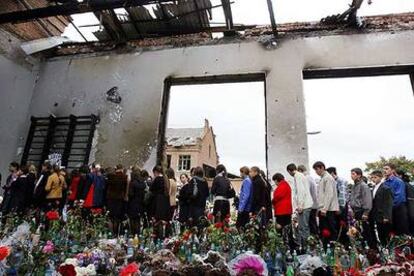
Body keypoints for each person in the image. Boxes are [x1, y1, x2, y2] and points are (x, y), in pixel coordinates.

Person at [312, 161, 339, 245]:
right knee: (324, 231)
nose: (316, 172)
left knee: (330, 230)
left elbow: (329, 195)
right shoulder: (323, 178)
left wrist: (324, 209)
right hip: (324, 208)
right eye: (315, 170)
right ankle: (327, 247)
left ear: (322, 168)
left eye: (317, 169)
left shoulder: (328, 178)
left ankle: (333, 248)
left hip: (328, 209)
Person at [287, 163, 313, 248]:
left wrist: (300, 205)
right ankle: (307, 246)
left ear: (290, 171)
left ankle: (306, 247)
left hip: (304, 206)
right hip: (306, 205)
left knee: (303, 228)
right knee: (303, 227)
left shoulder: (297, 176)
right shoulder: (300, 176)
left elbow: (301, 191)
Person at [349, 168, 373, 248]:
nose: (351, 176)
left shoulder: (364, 186)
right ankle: (360, 250)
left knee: (365, 232)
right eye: (351, 174)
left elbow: (367, 200)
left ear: (359, 175)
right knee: (357, 232)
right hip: (355, 212)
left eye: (353, 174)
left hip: (362, 212)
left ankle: (370, 250)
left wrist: (366, 212)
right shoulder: (354, 186)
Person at [383, 163, 409, 235]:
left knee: (401, 231)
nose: (384, 171)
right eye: (384, 169)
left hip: (398, 209)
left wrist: (389, 206)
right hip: (389, 210)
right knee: (391, 232)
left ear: (393, 170)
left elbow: (399, 198)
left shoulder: (398, 181)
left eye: (387, 169)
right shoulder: (384, 182)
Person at [369, 170, 393, 247]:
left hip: (383, 215)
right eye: (372, 178)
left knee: (385, 235)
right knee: (379, 234)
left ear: (380, 177)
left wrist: (386, 217)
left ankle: (389, 250)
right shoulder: (373, 188)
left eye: (375, 177)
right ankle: (383, 249)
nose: (373, 179)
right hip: (376, 215)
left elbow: (388, 203)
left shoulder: (386, 188)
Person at [106, 164, 128, 235]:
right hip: (119, 200)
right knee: (117, 218)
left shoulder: (111, 177)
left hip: (111, 199)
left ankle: (111, 233)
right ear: (122, 168)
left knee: (111, 217)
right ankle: (116, 233)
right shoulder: (124, 177)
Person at [298, 165, 319, 236]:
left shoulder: (305, 178)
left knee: (309, 224)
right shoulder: (310, 178)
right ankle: (315, 240)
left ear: (300, 171)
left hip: (310, 205)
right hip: (314, 204)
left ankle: (313, 242)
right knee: (313, 223)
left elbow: (305, 193)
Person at [127, 167, 146, 235]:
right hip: (140, 204)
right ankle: (137, 235)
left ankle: (132, 234)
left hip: (132, 203)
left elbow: (130, 194)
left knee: (132, 220)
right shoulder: (142, 183)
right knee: (138, 220)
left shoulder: (132, 183)